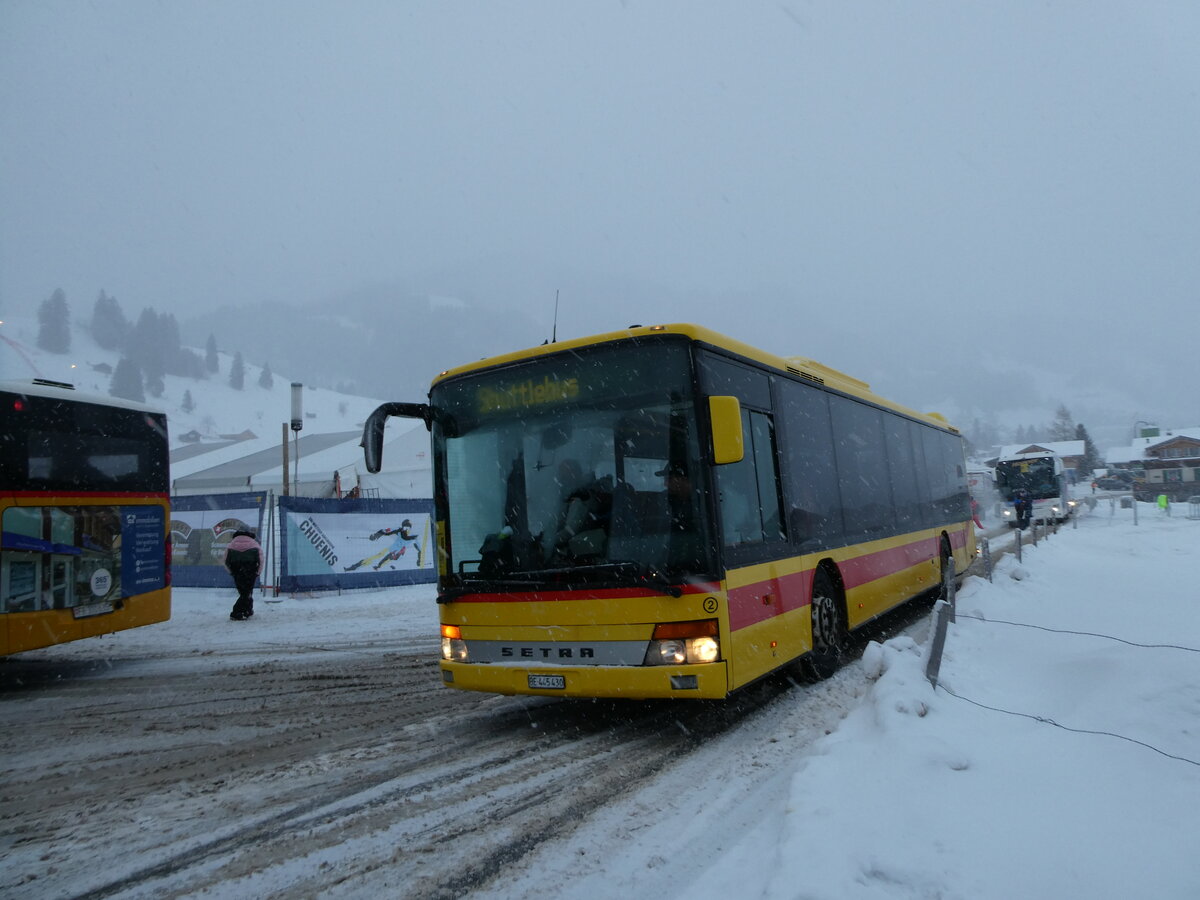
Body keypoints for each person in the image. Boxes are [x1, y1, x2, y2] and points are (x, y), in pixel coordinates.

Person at [223, 530, 263, 620]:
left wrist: (231, 571)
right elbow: (261, 560)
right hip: (251, 571)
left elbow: (225, 560)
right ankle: (236, 612)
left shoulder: (231, 545)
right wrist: (258, 572)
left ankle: (247, 610)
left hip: (237, 571)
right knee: (247, 592)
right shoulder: (254, 544)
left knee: (243, 592)